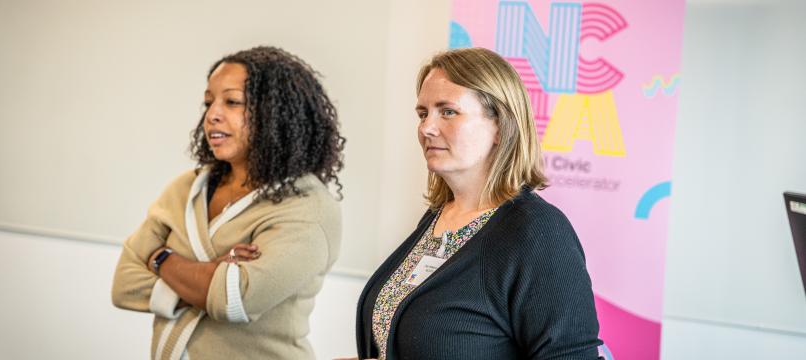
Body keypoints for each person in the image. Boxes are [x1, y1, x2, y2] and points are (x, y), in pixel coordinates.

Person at [354, 48, 603, 360]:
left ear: (499, 126)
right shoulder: (437, 217)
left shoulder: (538, 233)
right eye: (423, 113)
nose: (426, 128)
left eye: (447, 111)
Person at [111, 46, 344, 359]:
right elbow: (124, 284)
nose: (212, 114)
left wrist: (160, 258)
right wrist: (208, 276)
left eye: (232, 102)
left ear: (275, 112)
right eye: (209, 102)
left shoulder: (308, 208)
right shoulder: (187, 188)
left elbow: (235, 300)